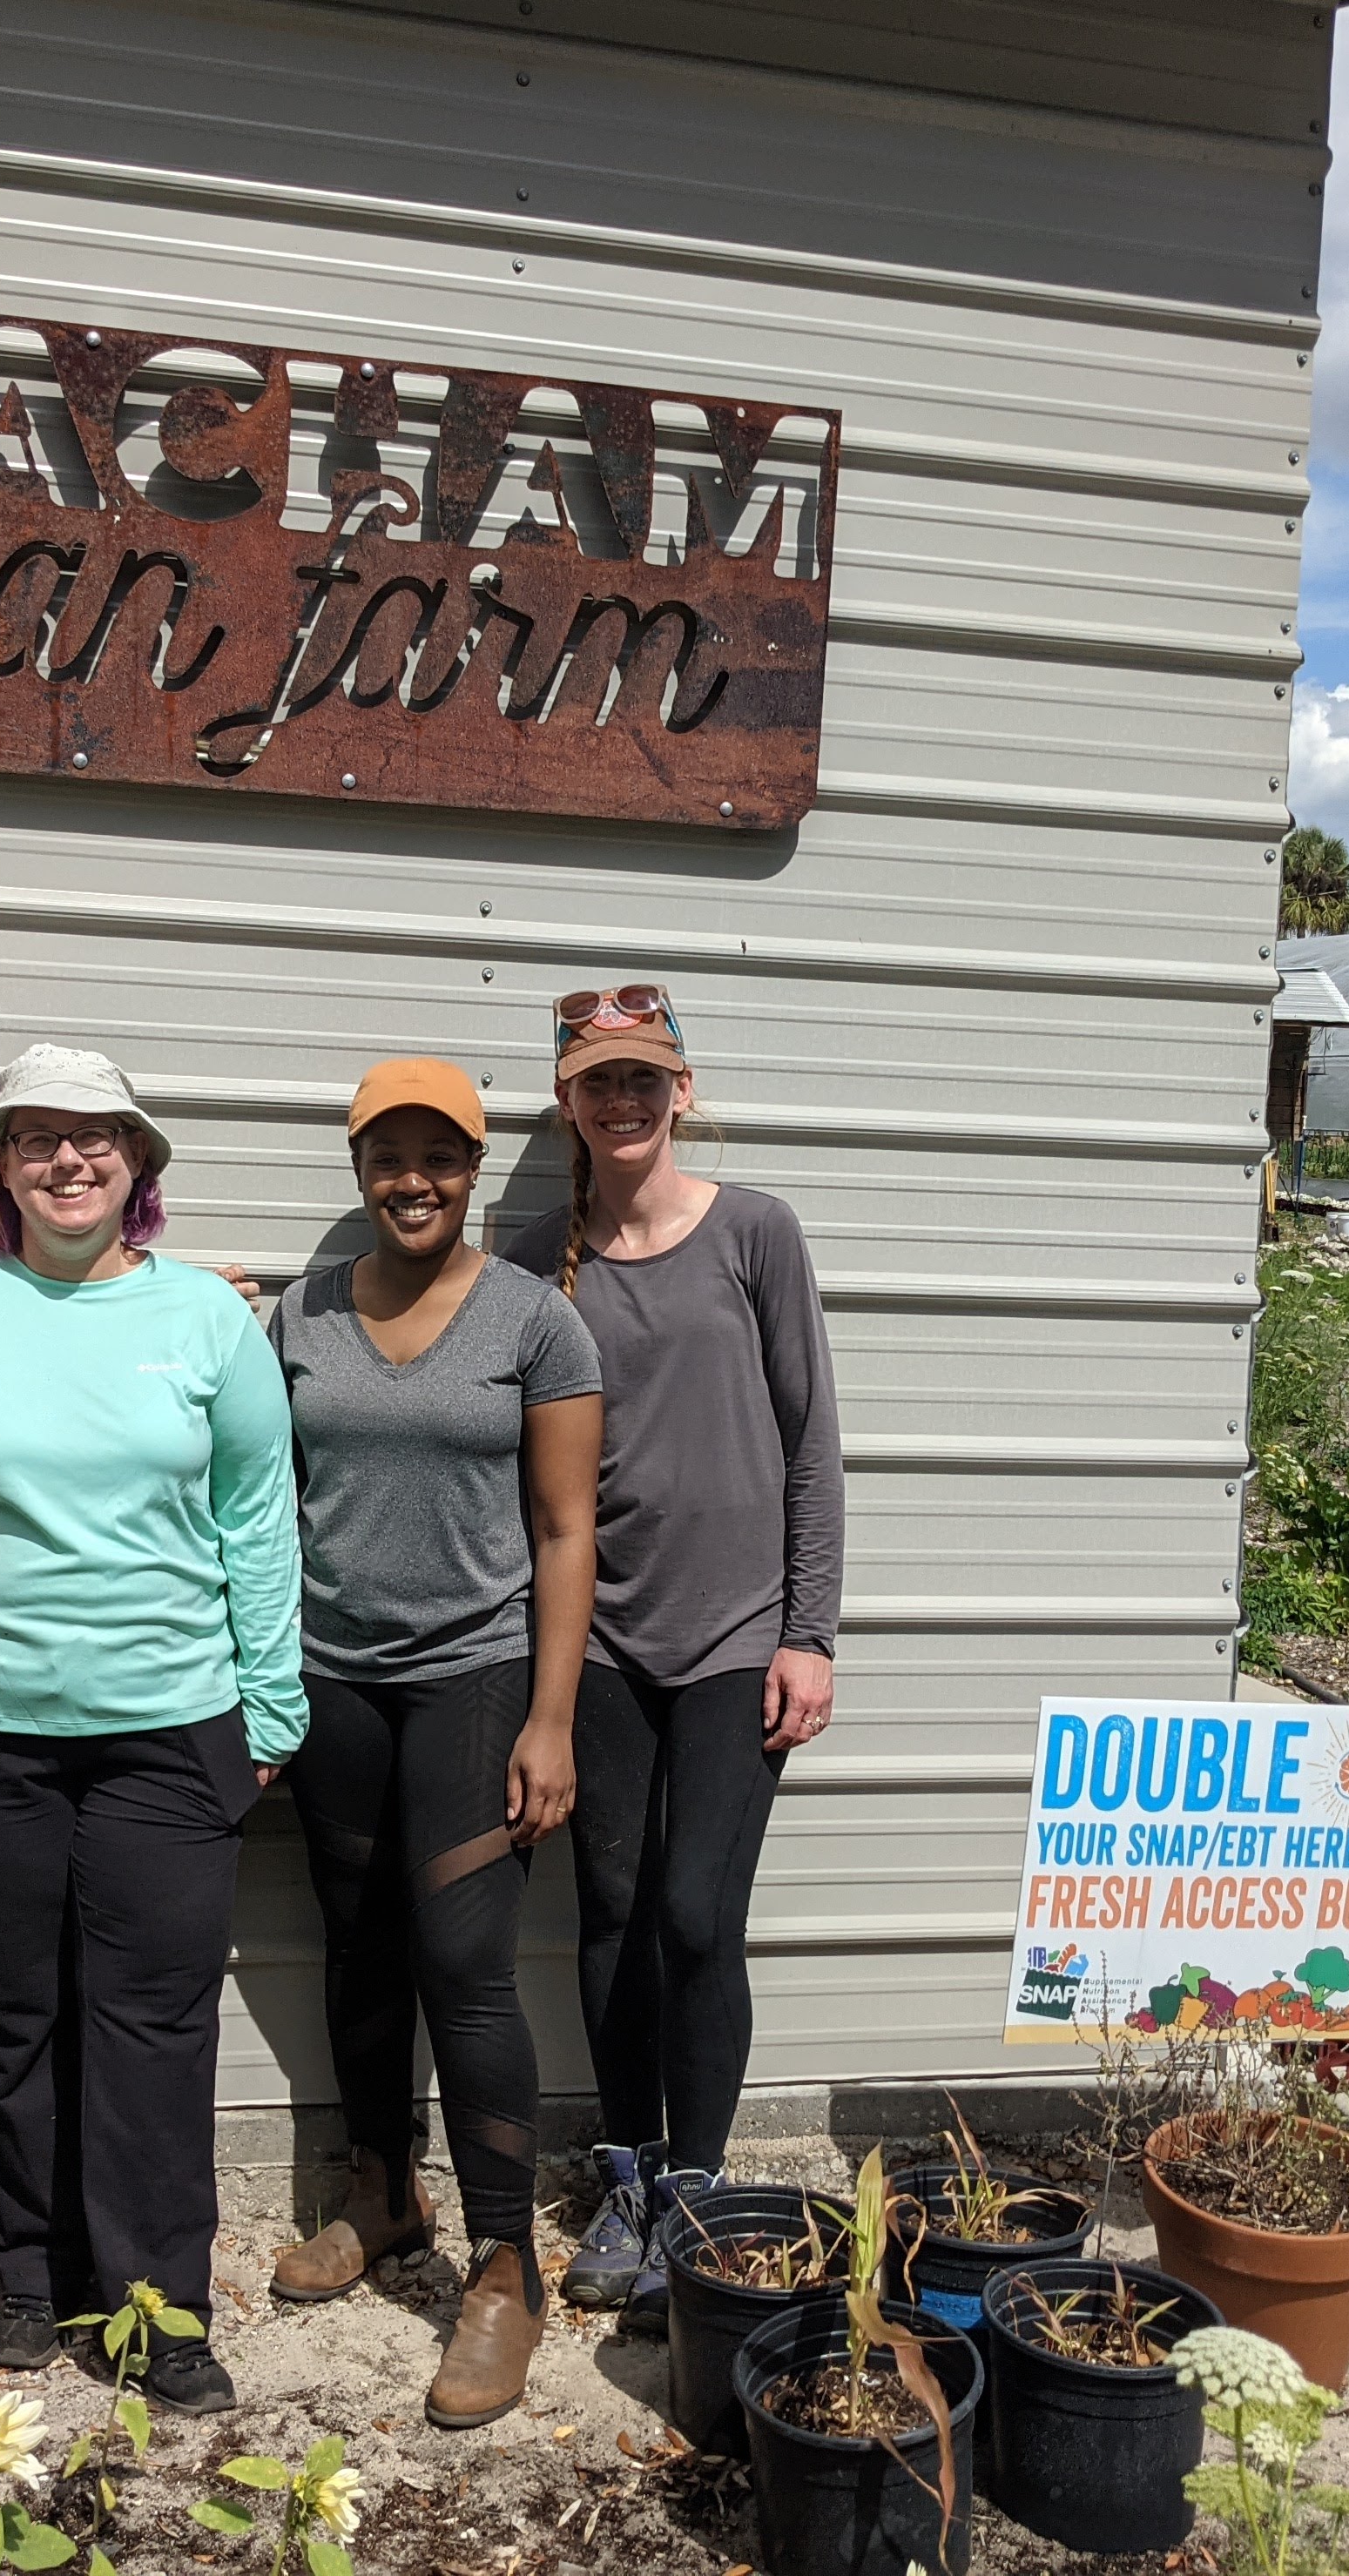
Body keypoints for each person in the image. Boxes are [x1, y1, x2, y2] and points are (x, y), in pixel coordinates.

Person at [0, 1044, 302, 2418]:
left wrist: (273, 1700)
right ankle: (32, 2269)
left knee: (156, 2023)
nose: (68, 1160)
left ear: (139, 1164)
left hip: (173, 1727)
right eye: (36, 1138)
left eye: (97, 1137)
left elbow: (258, 1513)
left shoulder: (210, 1322)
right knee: (16, 2012)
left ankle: (159, 2301)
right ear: (0, 1167)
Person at [499, 985, 844, 2322]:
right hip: (594, 1646)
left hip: (731, 1638)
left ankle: (698, 2186)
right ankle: (630, 2177)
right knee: (608, 1919)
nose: (625, 1102)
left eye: (647, 1079)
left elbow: (811, 1440)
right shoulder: (535, 1256)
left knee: (697, 1917)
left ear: (682, 1091)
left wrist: (808, 1631)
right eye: (599, 1083)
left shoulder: (754, 1233)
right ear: (569, 1103)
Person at [265, 1060, 601, 2428]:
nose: (414, 1179)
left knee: (465, 1970)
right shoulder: (298, 1316)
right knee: (357, 1944)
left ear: (471, 1171)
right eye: (387, 1155)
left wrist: (552, 1717)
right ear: (359, 1170)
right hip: (335, 1679)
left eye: (440, 1157)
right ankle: (381, 2193)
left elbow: (569, 1530)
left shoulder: (539, 1323)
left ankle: (506, 2265)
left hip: (474, 1678)